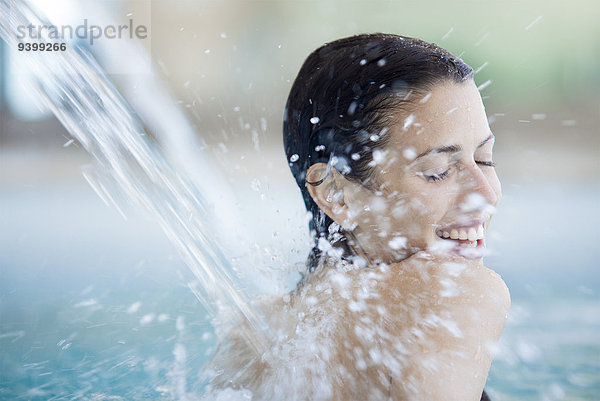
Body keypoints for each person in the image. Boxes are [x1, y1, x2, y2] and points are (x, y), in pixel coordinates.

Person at [206, 33, 510, 401]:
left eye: (484, 159)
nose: (485, 195)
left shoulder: (256, 335)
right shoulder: (455, 295)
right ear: (336, 194)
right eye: (437, 171)